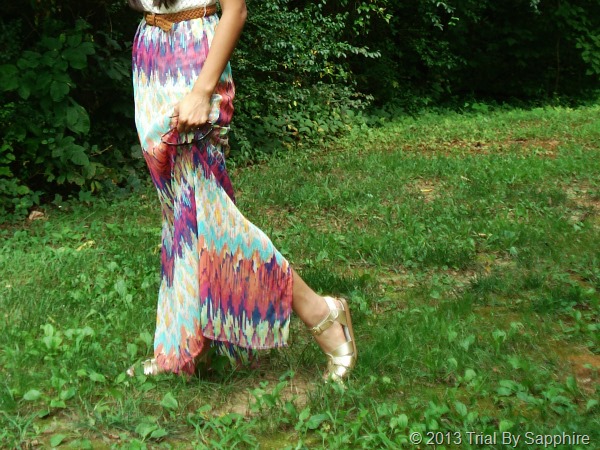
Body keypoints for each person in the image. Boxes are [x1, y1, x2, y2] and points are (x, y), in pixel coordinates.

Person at [126, 0, 356, 383]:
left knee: (209, 212)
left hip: (195, 60)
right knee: (180, 214)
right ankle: (182, 347)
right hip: (151, 55)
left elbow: (236, 9)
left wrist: (203, 90)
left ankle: (321, 312)